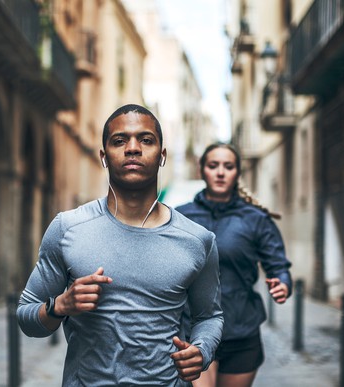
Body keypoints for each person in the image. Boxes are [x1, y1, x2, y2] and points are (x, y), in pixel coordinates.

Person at [17, 104, 224, 386]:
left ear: (162, 155)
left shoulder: (198, 240)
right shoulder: (68, 228)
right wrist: (61, 305)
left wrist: (202, 351)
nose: (133, 148)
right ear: (104, 156)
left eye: (146, 140)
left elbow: (209, 316)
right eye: (119, 141)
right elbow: (26, 318)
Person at [176, 142, 292, 387]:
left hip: (241, 332)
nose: (220, 172)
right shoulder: (180, 217)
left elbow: (278, 265)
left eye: (228, 167)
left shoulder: (256, 219)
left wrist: (283, 284)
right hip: (193, 331)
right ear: (202, 170)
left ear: (237, 173)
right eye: (213, 165)